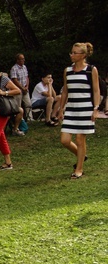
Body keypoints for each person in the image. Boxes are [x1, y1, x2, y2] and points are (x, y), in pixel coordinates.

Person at [57, 42, 100, 179]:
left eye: (75, 53)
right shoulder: (67, 70)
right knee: (65, 140)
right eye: (72, 52)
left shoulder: (91, 70)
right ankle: (82, 156)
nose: (72, 55)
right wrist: (61, 108)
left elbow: (96, 90)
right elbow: (65, 91)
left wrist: (95, 109)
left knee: (80, 139)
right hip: (71, 109)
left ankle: (79, 169)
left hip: (85, 109)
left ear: (83, 55)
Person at [10, 53, 33, 122]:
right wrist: (22, 88)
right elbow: (14, 80)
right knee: (18, 105)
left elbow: (27, 77)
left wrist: (26, 87)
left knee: (28, 104)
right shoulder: (14, 68)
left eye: (23, 59)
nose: (23, 60)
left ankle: (30, 118)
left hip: (25, 89)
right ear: (17, 60)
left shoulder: (24, 67)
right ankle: (20, 119)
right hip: (18, 90)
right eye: (21, 59)